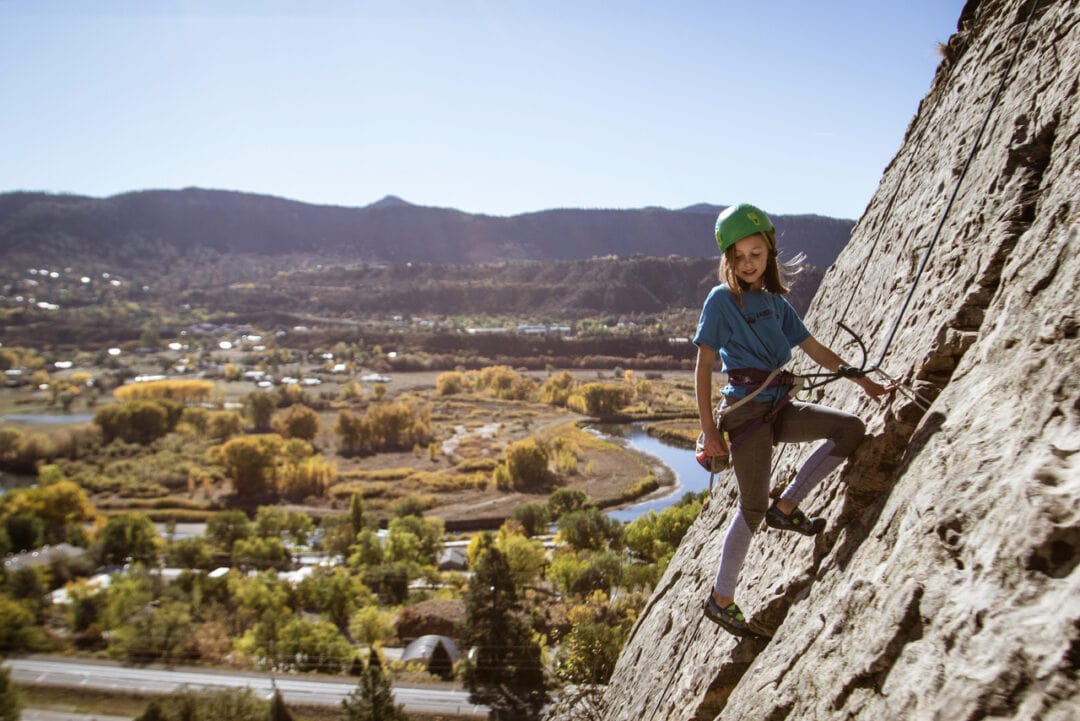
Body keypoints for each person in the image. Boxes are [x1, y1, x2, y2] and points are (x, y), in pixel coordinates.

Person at [694, 203, 891, 637]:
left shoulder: (776, 305)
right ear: (728, 259)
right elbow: (704, 364)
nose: (748, 263)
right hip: (748, 413)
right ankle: (720, 600)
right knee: (751, 506)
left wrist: (864, 382)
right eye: (739, 256)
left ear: (769, 254)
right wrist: (709, 430)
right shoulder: (722, 301)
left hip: (779, 406)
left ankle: (788, 507)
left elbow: (815, 349)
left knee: (850, 430)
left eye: (756, 254)